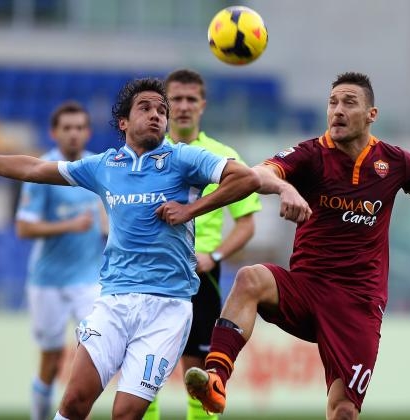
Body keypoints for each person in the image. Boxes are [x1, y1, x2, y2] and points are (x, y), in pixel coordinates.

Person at [181, 72, 410, 420]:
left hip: (359, 304)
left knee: (344, 411)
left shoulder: (396, 163)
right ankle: (216, 379)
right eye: (332, 102)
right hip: (307, 288)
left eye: (349, 103)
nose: (337, 110)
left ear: (371, 114)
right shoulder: (310, 154)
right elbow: (259, 174)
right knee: (250, 278)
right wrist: (285, 187)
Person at [0, 77, 261, 420]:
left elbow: (247, 178)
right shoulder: (105, 166)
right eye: (145, 108)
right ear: (123, 122)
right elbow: (34, 168)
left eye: (161, 110)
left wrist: (190, 210)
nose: (156, 115)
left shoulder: (184, 158)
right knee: (74, 402)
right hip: (114, 302)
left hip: (167, 308)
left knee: (125, 413)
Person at [142, 69, 262, 420]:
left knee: (197, 375)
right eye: (176, 99)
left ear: (202, 105)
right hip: (153, 274)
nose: (183, 106)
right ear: (165, 106)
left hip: (200, 276)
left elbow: (247, 225)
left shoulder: (223, 156)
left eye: (190, 99)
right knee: (144, 372)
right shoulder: (147, 153)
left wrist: (215, 255)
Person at [14, 101, 107, 420]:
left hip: (89, 281)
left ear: (88, 132)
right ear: (54, 132)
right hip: (48, 282)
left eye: (79, 128)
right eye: (67, 128)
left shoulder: (98, 167)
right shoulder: (43, 170)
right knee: (51, 364)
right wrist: (70, 225)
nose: (73, 134)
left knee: (93, 357)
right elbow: (23, 228)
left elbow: (108, 218)